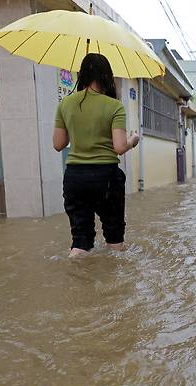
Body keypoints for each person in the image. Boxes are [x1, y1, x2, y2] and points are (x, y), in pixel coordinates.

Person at [52, 53, 140, 258]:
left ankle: (76, 280)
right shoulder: (114, 106)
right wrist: (133, 140)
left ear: (82, 75)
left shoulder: (65, 104)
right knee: (114, 235)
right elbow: (119, 147)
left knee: (80, 240)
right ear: (106, 76)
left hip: (75, 177)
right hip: (106, 177)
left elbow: (58, 144)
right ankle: (114, 285)